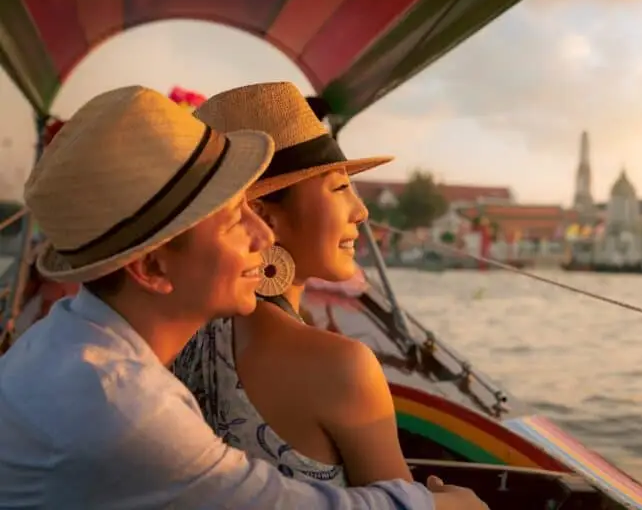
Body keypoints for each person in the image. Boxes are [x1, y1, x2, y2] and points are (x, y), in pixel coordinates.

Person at [0, 85, 485, 509]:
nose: (260, 232)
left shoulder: (59, 340)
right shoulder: (125, 408)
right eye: (235, 216)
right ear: (151, 267)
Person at [173, 82, 411, 488]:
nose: (361, 210)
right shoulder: (343, 367)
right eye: (339, 188)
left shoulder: (180, 334)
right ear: (265, 217)